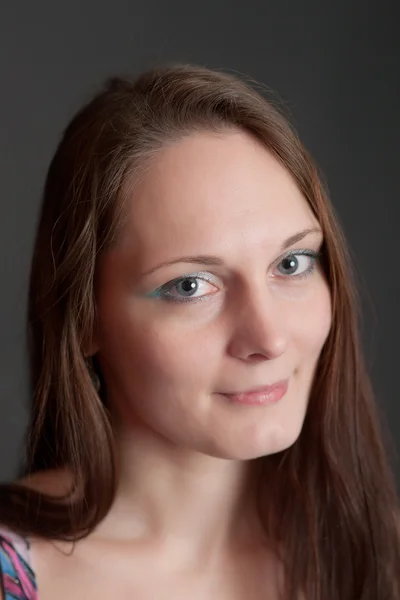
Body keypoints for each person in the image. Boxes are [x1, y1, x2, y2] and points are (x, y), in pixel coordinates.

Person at [0, 64, 398, 600]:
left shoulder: (382, 554)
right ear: (85, 318)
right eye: (190, 285)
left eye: (292, 263)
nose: (269, 337)